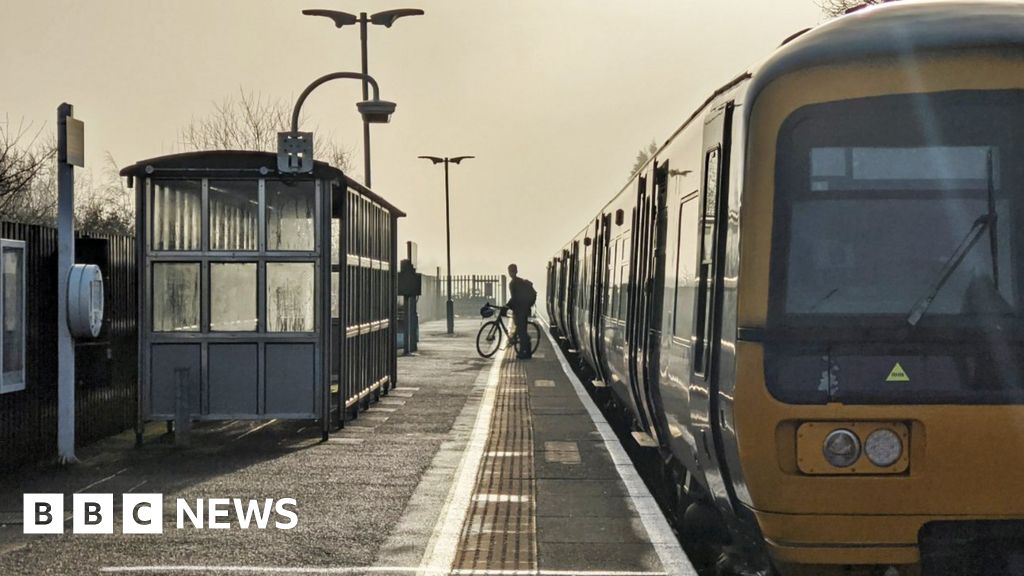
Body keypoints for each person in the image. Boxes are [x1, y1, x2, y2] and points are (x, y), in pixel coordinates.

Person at [505, 263, 537, 359]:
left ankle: (524, 353)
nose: (511, 273)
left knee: (522, 332)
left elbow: (514, 298)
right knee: (521, 330)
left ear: (510, 272)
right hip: (525, 309)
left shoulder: (513, 283)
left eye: (511, 271)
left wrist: (506, 306)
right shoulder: (520, 281)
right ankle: (526, 351)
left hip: (520, 311)